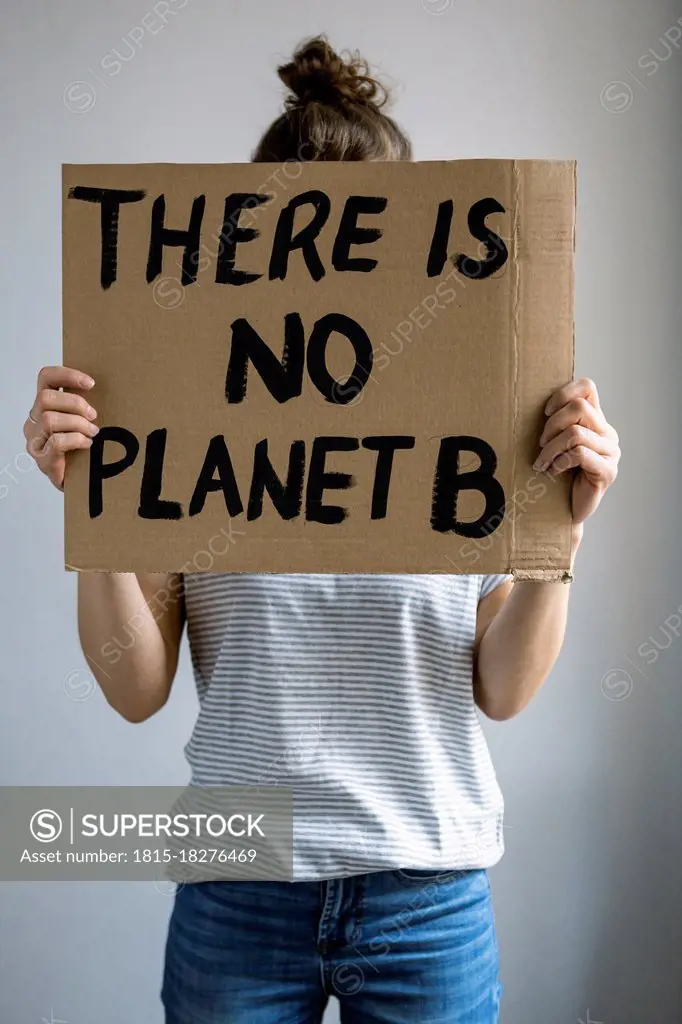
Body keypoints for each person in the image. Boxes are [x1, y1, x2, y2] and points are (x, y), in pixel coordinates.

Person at [24, 36, 620, 1024]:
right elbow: (135, 686)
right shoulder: (190, 421)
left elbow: (503, 689)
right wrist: (94, 508)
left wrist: (559, 537)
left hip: (426, 887)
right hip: (238, 884)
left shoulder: (471, 415)